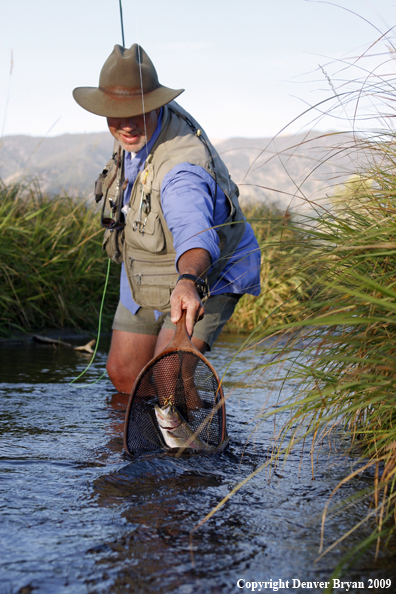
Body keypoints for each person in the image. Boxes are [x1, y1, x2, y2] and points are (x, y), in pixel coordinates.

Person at [73, 43, 261, 394]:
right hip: (147, 264)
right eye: (117, 112)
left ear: (155, 105)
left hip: (208, 272)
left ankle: (190, 447)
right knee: (124, 373)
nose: (127, 125)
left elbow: (195, 231)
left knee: (167, 378)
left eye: (136, 112)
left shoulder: (182, 172)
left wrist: (188, 279)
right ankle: (135, 446)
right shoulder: (135, 130)